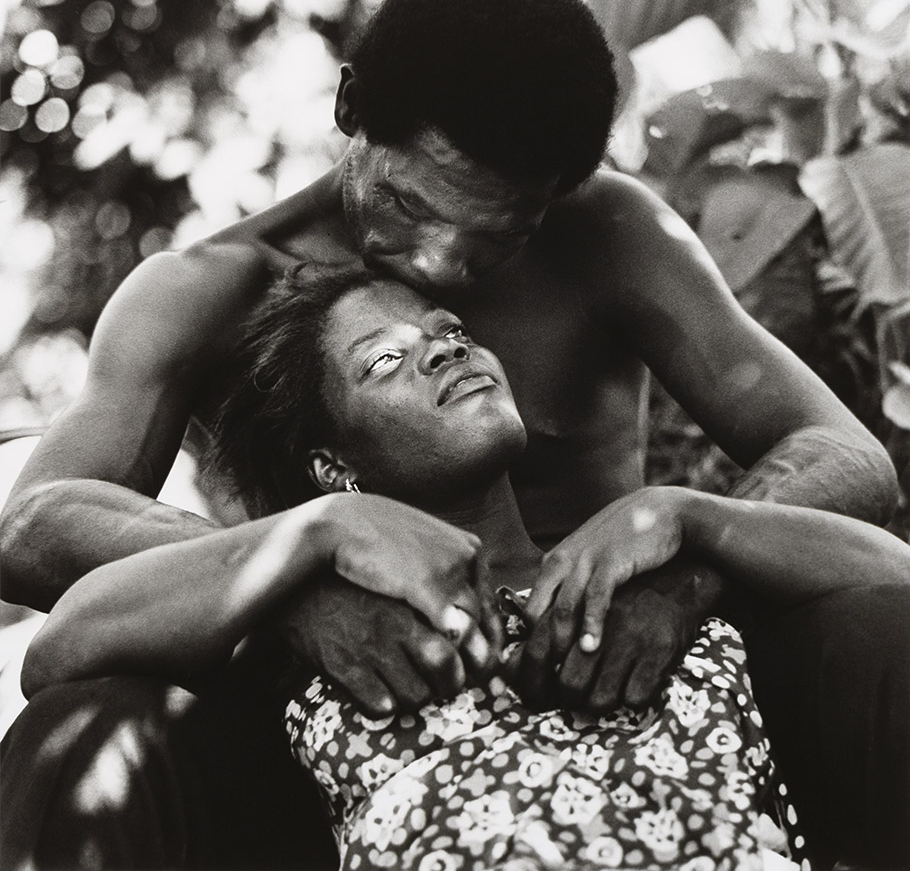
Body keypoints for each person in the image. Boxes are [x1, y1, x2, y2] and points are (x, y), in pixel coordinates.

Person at [0, 0, 905, 868]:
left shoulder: (608, 231)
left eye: (497, 235)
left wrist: (687, 573)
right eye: (409, 203)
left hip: (628, 680)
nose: (439, 268)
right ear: (353, 105)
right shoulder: (206, 291)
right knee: (84, 733)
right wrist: (295, 576)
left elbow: (841, 454)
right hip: (354, 713)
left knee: (881, 627)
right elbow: (35, 523)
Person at [21, 271, 910, 869]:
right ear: (336, 466)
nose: (442, 348)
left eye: (447, 331)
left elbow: (892, 580)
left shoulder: (643, 570)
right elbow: (59, 652)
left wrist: (693, 517)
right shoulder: (331, 623)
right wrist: (313, 537)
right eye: (384, 361)